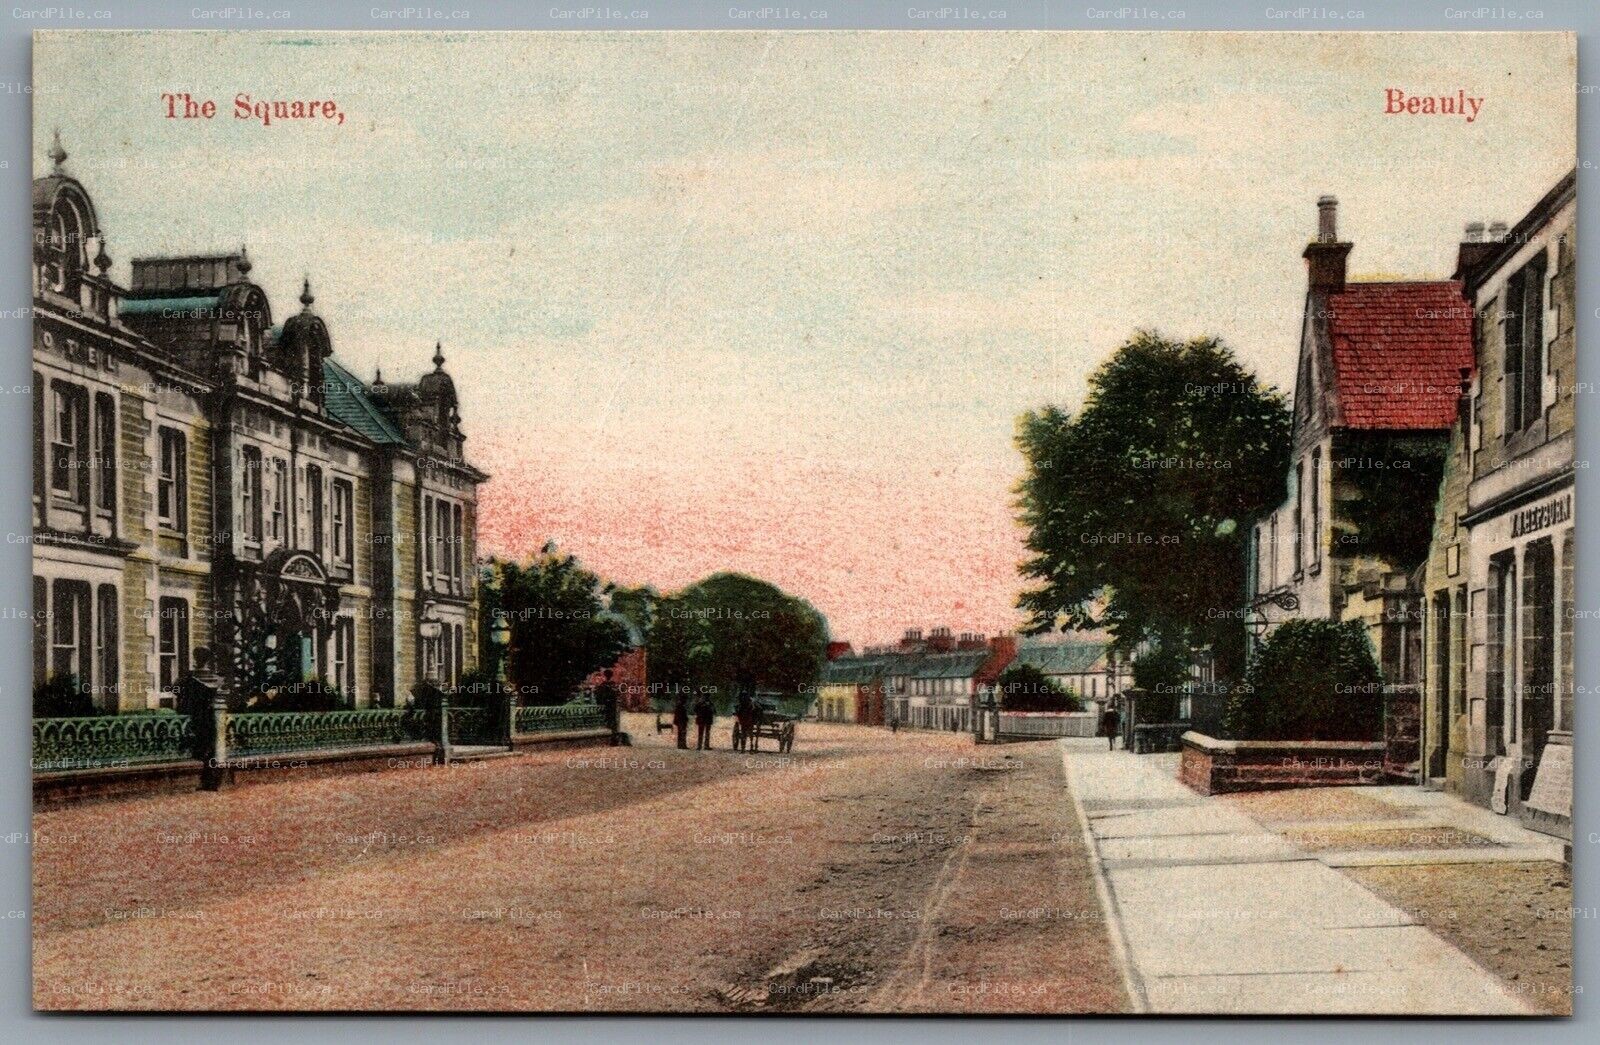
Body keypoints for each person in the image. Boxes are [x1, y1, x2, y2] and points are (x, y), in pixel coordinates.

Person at [594, 668, 621, 734]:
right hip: (613, 705)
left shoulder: (603, 685)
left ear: (605, 675)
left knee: (607, 719)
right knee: (613, 720)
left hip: (606, 705)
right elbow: (618, 694)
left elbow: (598, 695)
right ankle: (614, 734)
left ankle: (610, 733)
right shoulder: (614, 684)